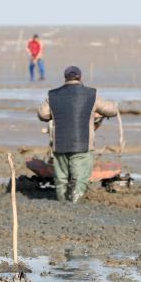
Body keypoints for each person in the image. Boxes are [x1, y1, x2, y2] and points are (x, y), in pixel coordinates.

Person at [37, 65, 118, 202]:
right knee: (80, 178)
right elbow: (112, 110)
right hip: (82, 144)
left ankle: (62, 202)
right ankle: (74, 203)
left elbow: (42, 114)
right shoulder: (92, 94)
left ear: (65, 78)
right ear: (80, 78)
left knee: (61, 178)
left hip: (60, 144)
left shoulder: (52, 94)